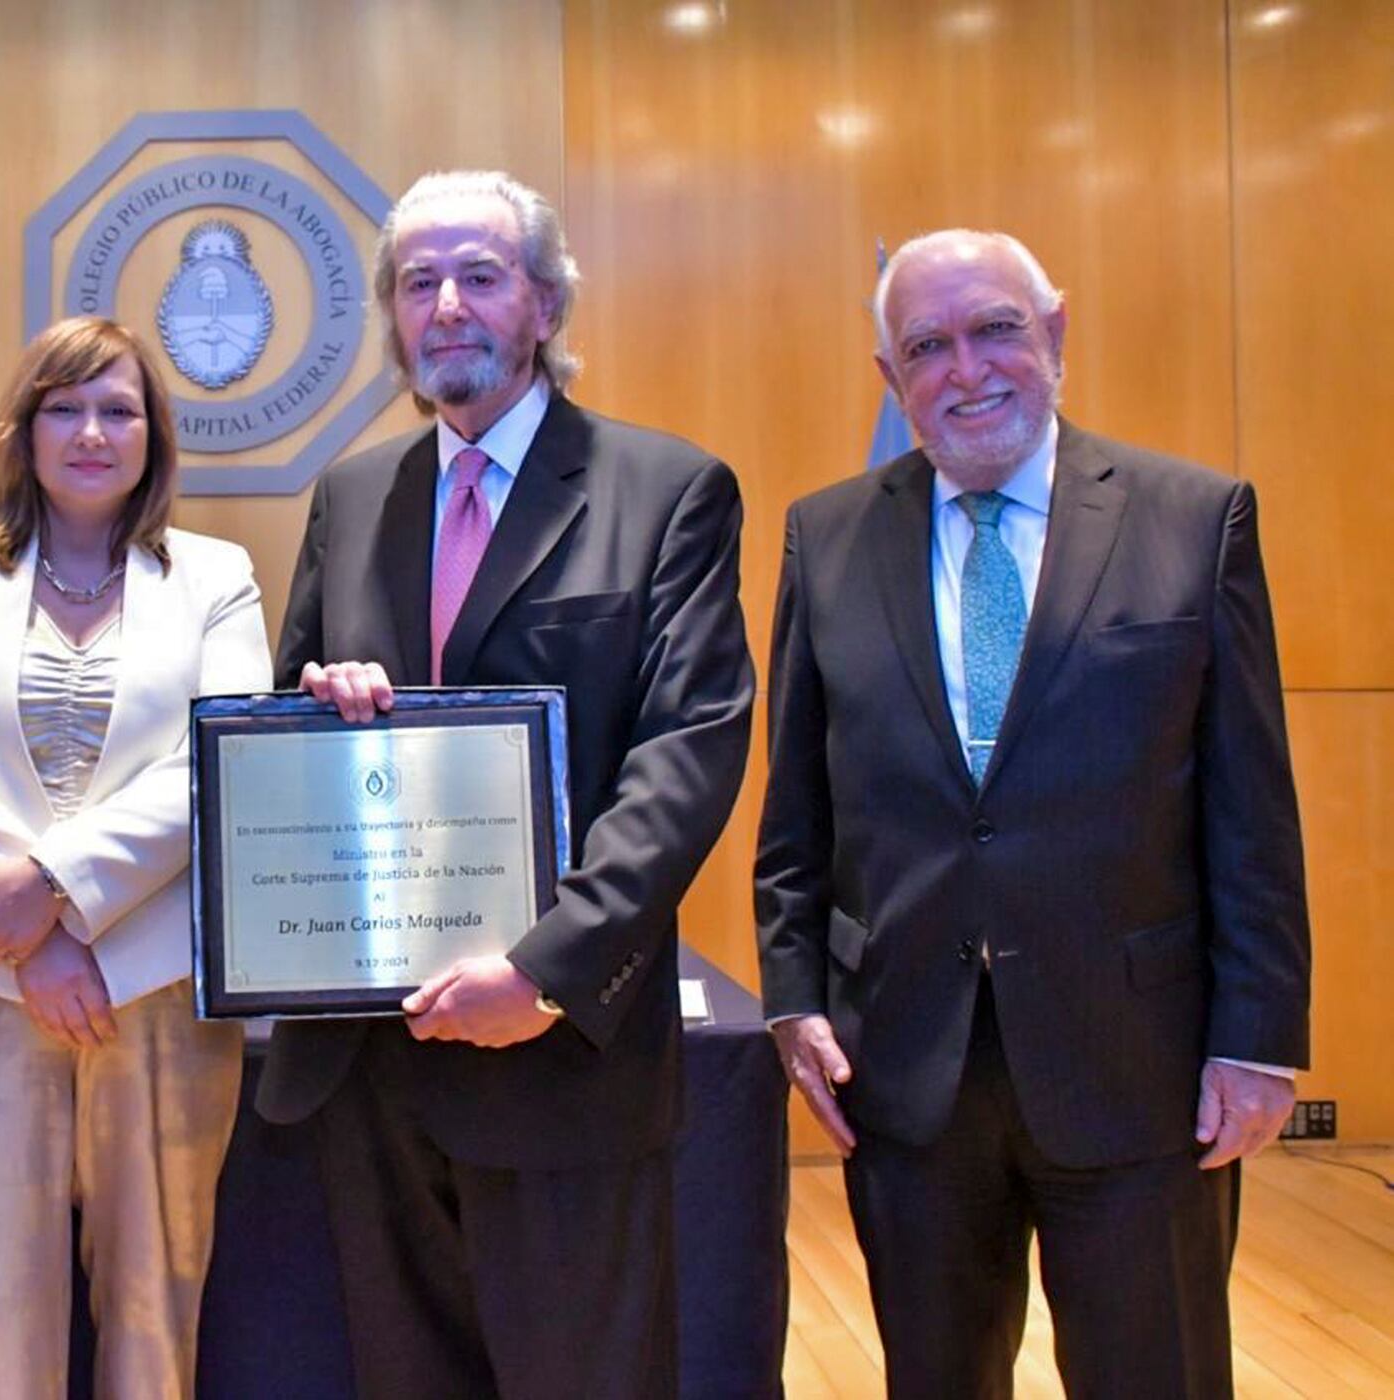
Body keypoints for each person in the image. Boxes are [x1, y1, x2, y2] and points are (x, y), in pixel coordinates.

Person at [755, 228, 1311, 1397]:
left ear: (1055, 333)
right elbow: (799, 802)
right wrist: (795, 997)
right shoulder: (827, 533)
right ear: (891, 379)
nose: (968, 369)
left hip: (1140, 1064)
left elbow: (1251, 801)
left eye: (996, 329)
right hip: (905, 1064)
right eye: (928, 346)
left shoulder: (1193, 518)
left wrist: (1258, 1036)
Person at [256, 170, 755, 1399]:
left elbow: (687, 754)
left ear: (544, 302)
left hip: (561, 1056)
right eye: (418, 282)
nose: (447, 307)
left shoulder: (667, 490)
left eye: (480, 275)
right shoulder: (355, 494)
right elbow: (284, 731)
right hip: (377, 1056)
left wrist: (543, 969)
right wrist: (327, 710)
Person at [0, 316, 272, 1398]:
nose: (92, 431)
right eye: (66, 406)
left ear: (154, 436)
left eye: (119, 409)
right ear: (25, 426)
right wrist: (30, 943)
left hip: (153, 984)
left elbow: (218, 753)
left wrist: (59, 892)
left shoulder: (215, 576)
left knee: (153, 1310)